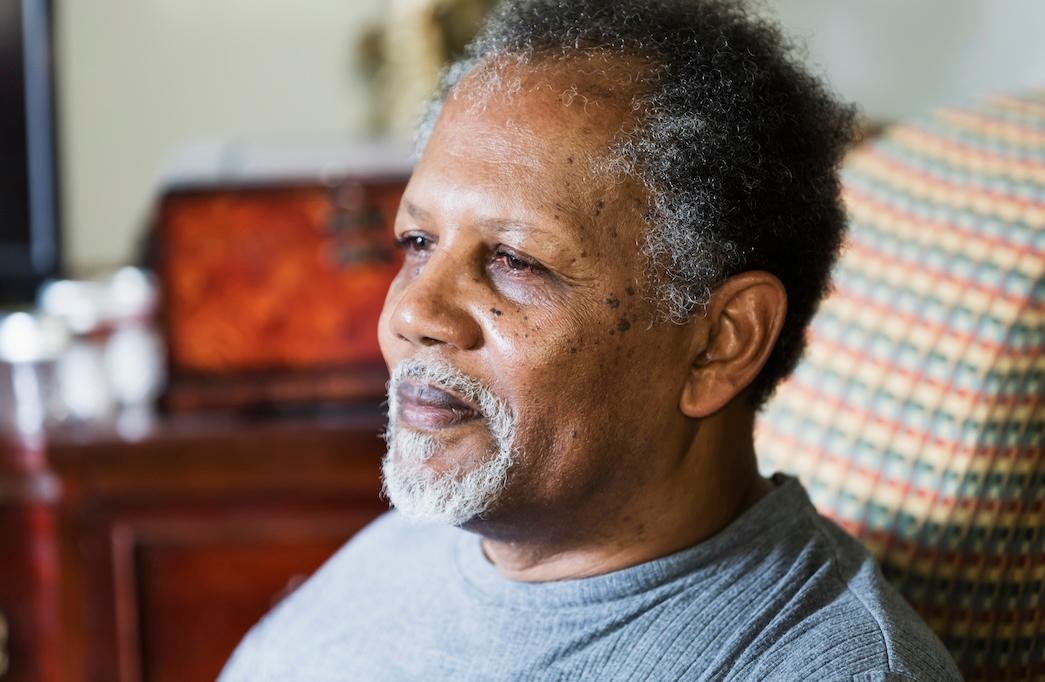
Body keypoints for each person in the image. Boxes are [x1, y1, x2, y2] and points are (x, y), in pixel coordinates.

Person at [221, 0, 962, 679]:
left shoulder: (823, 665)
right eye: (417, 241)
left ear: (721, 343)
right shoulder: (402, 550)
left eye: (514, 262)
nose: (415, 312)